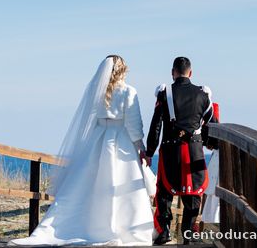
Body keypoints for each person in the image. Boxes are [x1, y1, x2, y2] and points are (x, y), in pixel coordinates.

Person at [9, 55, 156, 246]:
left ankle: (81, 226)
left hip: (97, 140)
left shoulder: (97, 92)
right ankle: (123, 229)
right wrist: (140, 147)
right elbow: (134, 124)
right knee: (120, 186)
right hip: (121, 141)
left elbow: (88, 120)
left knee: (88, 185)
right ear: (123, 71)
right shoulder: (129, 91)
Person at [146, 56, 217, 245]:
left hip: (170, 150)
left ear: (173, 72)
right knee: (193, 192)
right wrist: (212, 143)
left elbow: (156, 126)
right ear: (190, 73)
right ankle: (188, 231)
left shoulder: (165, 93)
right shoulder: (203, 95)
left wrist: (149, 150)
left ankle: (164, 231)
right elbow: (212, 124)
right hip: (194, 150)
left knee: (164, 191)